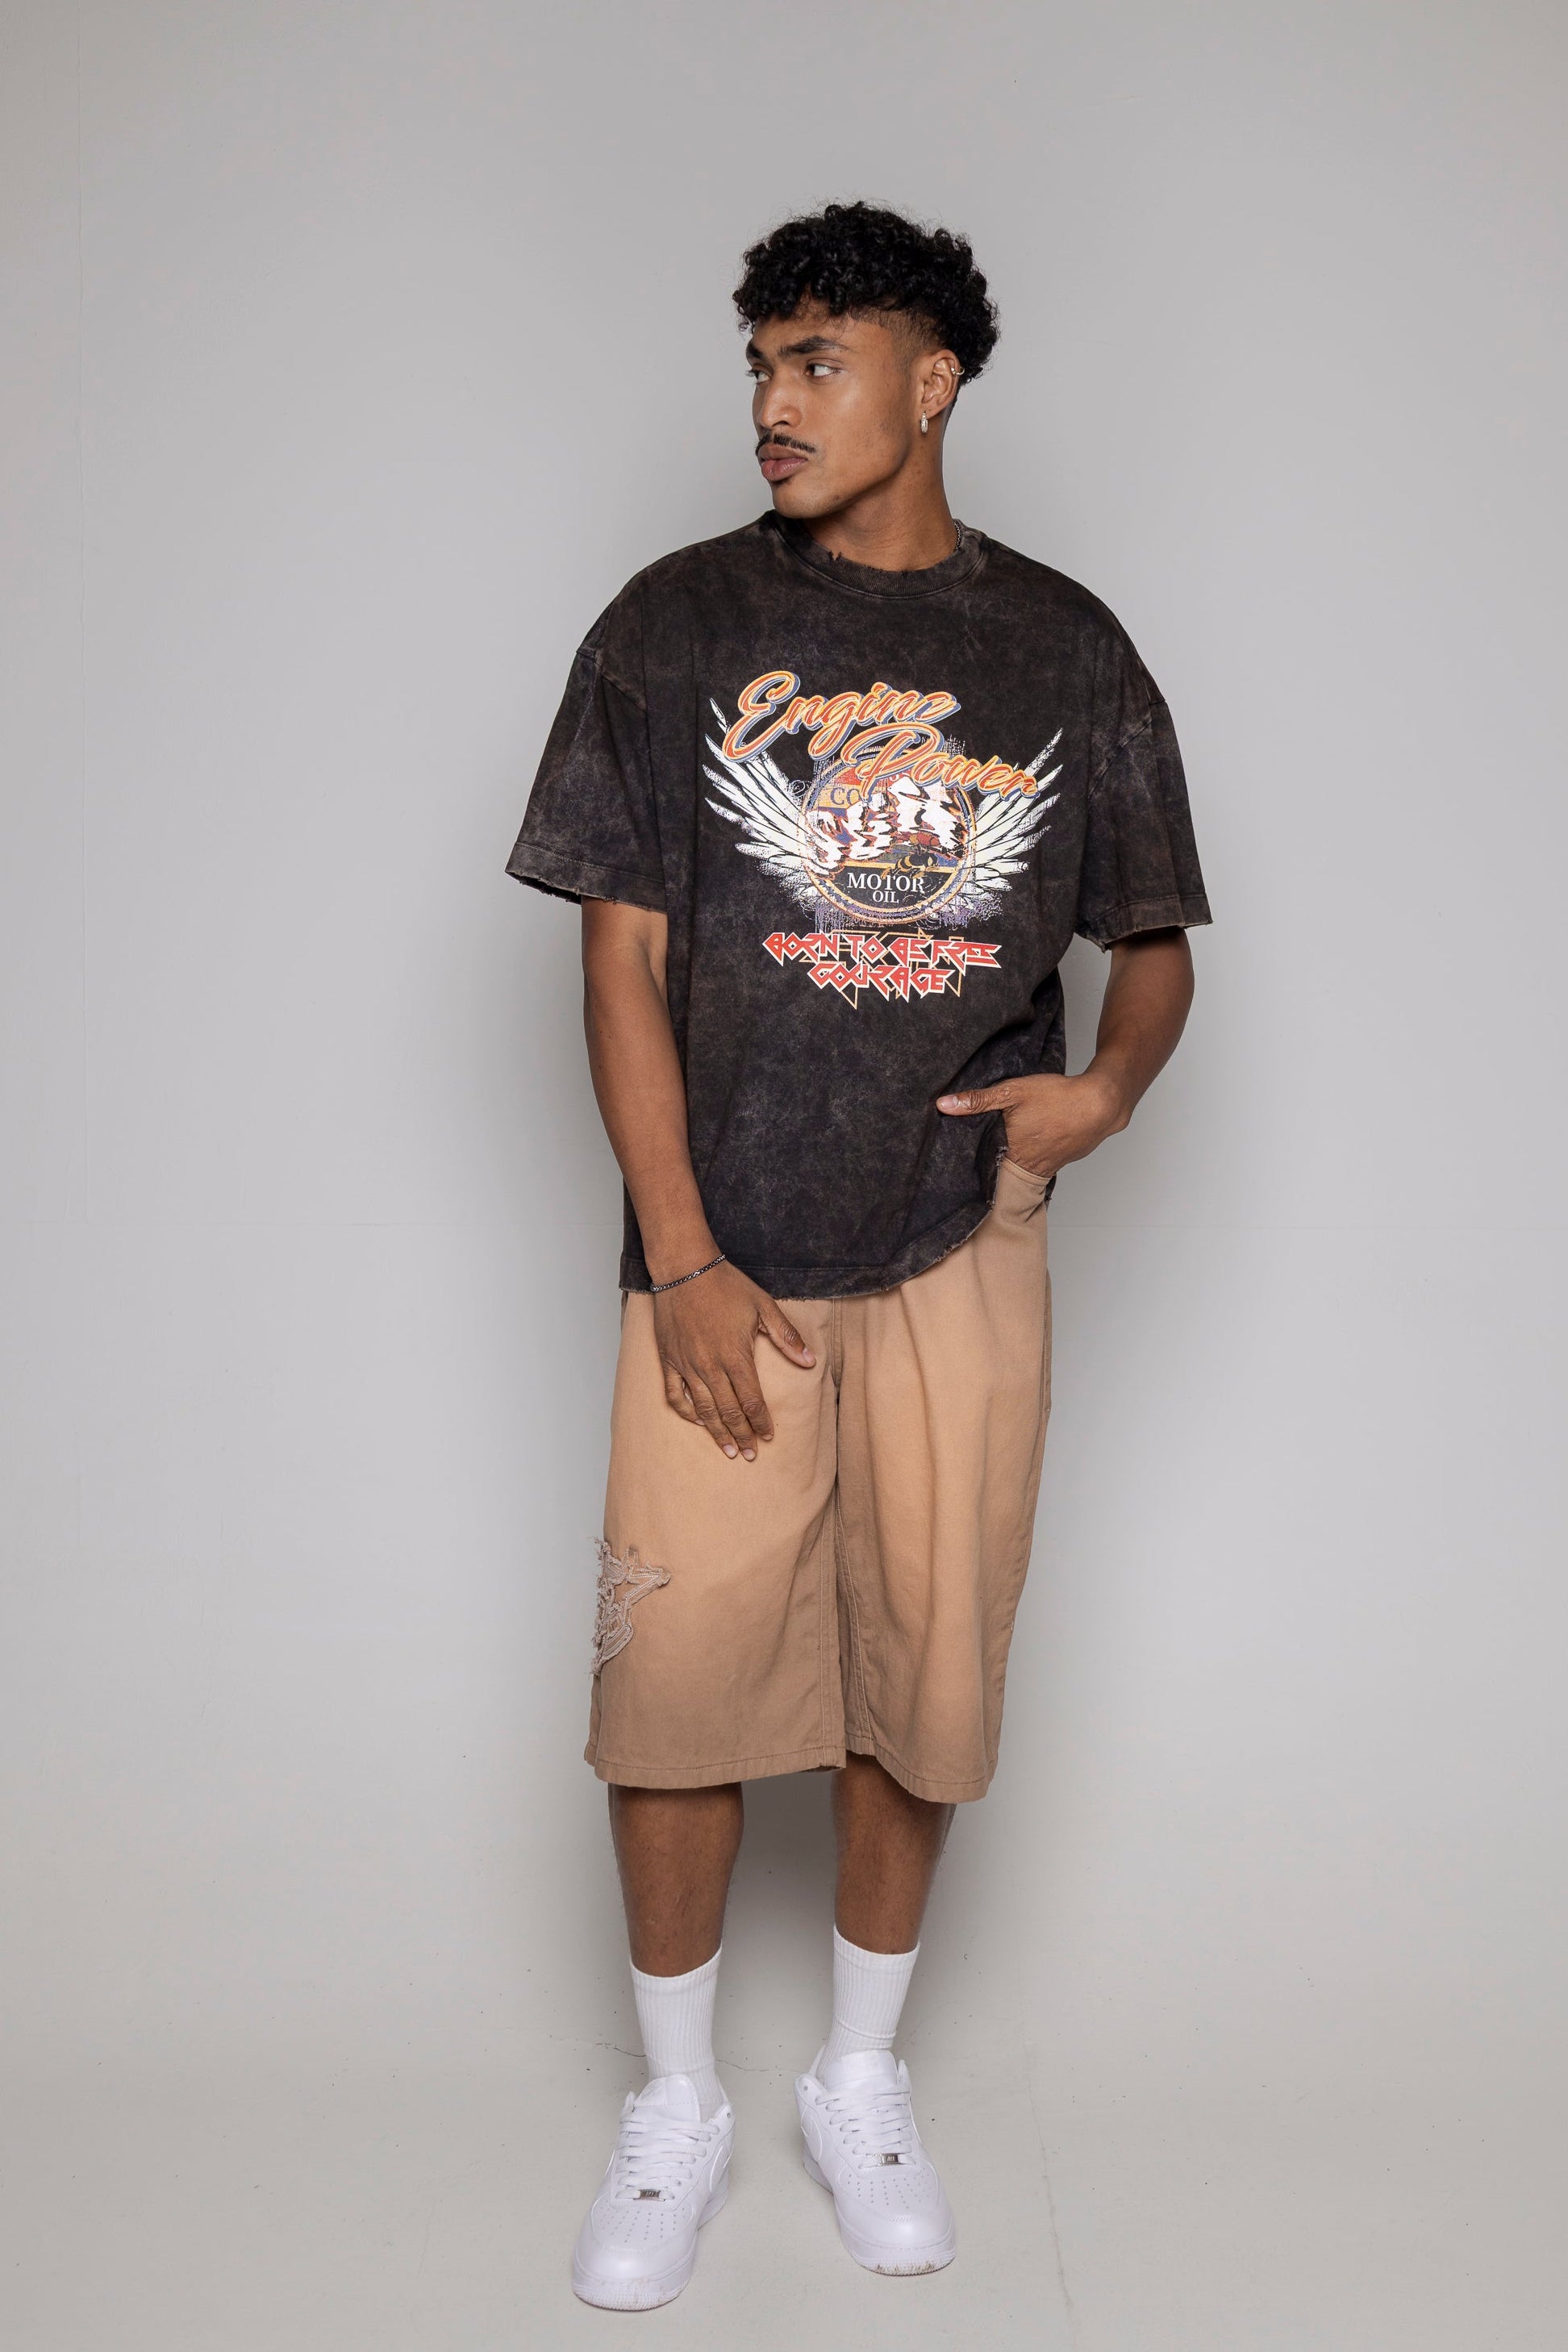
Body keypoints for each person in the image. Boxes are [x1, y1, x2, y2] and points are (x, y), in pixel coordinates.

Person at [506, 199, 1210, 2311]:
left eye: (817, 361)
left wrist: (1107, 1093)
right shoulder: (671, 627)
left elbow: (1155, 946)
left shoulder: (1068, 649)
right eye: (759, 364)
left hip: (956, 1242)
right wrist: (682, 1254)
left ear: (934, 379)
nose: (773, 403)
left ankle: (857, 2075)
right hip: (721, 1253)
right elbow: (618, 966)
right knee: (677, 1695)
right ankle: (676, 2105)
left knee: (929, 1668)